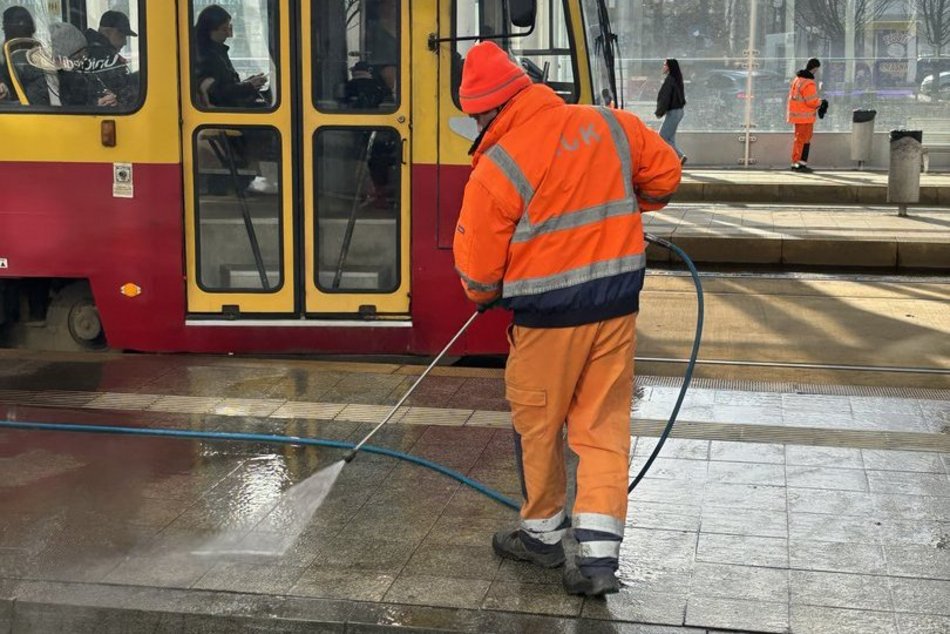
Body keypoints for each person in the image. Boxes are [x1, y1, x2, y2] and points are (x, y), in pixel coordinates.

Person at [452, 41, 681, 597]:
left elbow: (478, 274)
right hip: (616, 310)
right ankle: (600, 561)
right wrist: (626, 208)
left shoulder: (498, 167)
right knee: (603, 429)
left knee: (538, 425)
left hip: (547, 324)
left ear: (485, 112)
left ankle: (542, 537)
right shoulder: (610, 124)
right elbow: (666, 177)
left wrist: (486, 296)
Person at [194, 5, 267, 108]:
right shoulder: (203, 58)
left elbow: (227, 84)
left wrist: (249, 83)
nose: (229, 34)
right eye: (224, 29)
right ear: (209, 30)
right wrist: (248, 86)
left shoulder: (217, 51)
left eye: (229, 28)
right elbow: (216, 94)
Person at [50, 22, 117, 108]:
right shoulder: (49, 84)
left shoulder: (82, 77)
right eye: (77, 58)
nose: (83, 61)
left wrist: (107, 99)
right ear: (59, 59)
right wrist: (94, 106)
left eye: (85, 54)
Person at [84, 10, 138, 107]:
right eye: (121, 36)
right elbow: (127, 97)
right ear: (107, 32)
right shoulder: (107, 59)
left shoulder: (86, 50)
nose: (125, 42)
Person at [1, 6, 49, 105]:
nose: (20, 27)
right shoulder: (1, 58)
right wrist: (4, 88)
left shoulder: (43, 55)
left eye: (23, 24)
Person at [787, 57, 827, 173]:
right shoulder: (809, 83)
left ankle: (798, 163)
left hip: (797, 115)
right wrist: (822, 102)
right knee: (804, 139)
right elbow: (811, 102)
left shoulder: (797, 80)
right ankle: (798, 163)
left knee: (799, 139)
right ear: (814, 69)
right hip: (805, 117)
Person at [655, 58, 687, 164]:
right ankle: (674, 161)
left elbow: (665, 98)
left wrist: (659, 112)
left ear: (670, 67)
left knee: (662, 137)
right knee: (670, 138)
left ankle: (680, 156)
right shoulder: (676, 79)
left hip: (673, 112)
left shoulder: (670, 80)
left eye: (665, 65)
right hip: (678, 111)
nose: (663, 67)